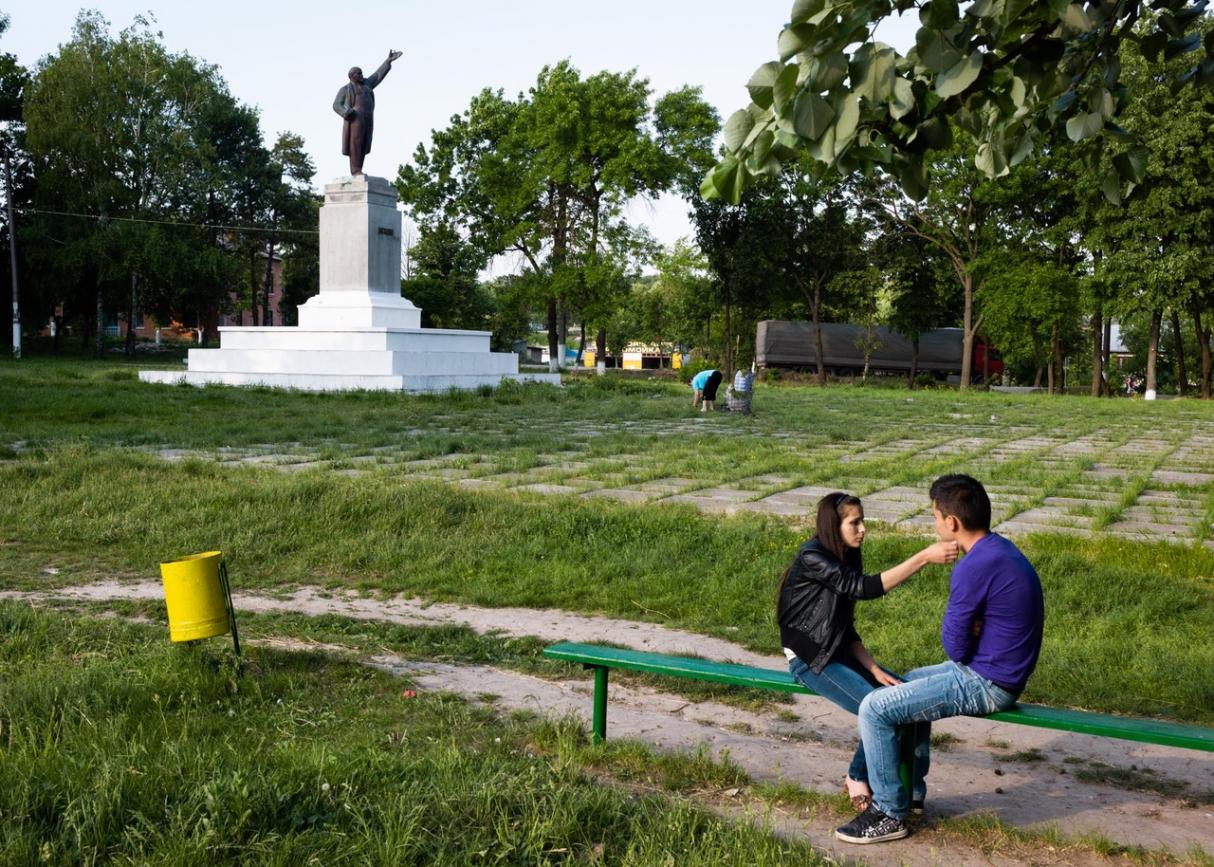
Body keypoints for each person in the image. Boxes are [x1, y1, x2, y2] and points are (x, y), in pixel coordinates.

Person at [836, 474, 1045, 845]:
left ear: (952, 523)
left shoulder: (973, 565)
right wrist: (977, 629)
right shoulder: (999, 549)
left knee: (875, 707)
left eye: (934, 516)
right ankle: (912, 790)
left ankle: (888, 812)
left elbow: (954, 648)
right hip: (995, 671)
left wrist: (973, 632)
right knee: (908, 679)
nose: (934, 524)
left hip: (988, 683)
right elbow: (967, 639)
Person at [778, 493, 959, 816]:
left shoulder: (847, 554)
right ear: (834, 525)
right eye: (855, 523)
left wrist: (873, 668)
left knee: (910, 700)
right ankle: (857, 776)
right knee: (883, 711)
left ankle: (913, 791)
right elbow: (864, 588)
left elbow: (843, 627)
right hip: (811, 660)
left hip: (838, 653)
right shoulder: (813, 557)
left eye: (863, 521)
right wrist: (922, 558)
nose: (863, 530)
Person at [333, 49, 403, 176]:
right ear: (352, 75)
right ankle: (355, 170)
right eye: (358, 74)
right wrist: (346, 112)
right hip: (355, 118)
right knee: (356, 144)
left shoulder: (367, 84)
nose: (361, 75)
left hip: (367, 117)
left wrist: (388, 61)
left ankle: (359, 168)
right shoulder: (345, 89)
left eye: (361, 73)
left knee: (364, 143)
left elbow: (377, 75)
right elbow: (336, 105)